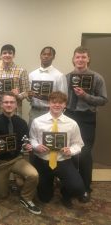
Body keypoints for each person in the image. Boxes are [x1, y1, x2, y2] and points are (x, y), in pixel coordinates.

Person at [65, 46, 108, 202]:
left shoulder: (97, 78)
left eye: (83, 57)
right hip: (69, 116)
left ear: (88, 59)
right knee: (68, 152)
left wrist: (85, 96)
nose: (80, 60)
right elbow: (62, 98)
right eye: (77, 57)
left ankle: (85, 188)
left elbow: (103, 100)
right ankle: (70, 186)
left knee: (84, 153)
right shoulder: (67, 77)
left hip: (87, 117)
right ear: (73, 59)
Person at [30, 91, 86, 208]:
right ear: (49, 103)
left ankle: (65, 193)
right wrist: (36, 146)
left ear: (65, 105)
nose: (57, 105)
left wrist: (71, 150)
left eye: (60, 103)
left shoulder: (72, 124)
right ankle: (51, 182)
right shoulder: (37, 121)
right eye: (54, 102)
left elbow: (79, 144)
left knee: (77, 188)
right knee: (44, 198)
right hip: (43, 160)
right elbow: (32, 139)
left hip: (63, 160)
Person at [0, 92, 41, 215]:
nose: (9, 104)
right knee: (1, 195)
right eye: (6, 102)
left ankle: (26, 197)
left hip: (17, 159)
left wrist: (27, 146)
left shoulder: (22, 123)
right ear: (1, 104)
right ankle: (16, 181)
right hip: (0, 162)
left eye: (12, 102)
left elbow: (25, 141)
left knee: (33, 175)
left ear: (16, 105)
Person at [28, 46, 67, 126]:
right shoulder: (32, 75)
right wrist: (29, 96)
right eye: (44, 54)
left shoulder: (59, 75)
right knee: (33, 136)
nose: (46, 56)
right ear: (40, 56)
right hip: (34, 111)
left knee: (48, 136)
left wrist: (48, 98)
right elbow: (29, 97)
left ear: (53, 57)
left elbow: (64, 98)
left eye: (49, 54)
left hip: (51, 111)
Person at [0, 44, 29, 117]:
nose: (7, 55)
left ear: (14, 55)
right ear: (1, 55)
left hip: (15, 111)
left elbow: (26, 92)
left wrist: (18, 95)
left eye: (10, 53)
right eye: (4, 53)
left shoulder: (21, 71)